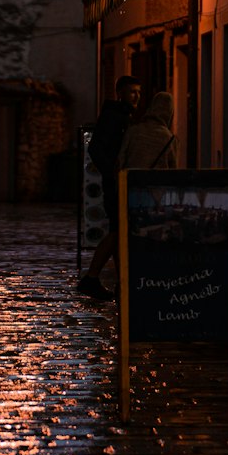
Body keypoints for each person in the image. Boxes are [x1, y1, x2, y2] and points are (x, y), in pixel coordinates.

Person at [77, 75, 142, 301]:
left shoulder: (124, 116)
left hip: (117, 180)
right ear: (120, 93)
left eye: (139, 92)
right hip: (114, 183)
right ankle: (91, 277)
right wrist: (111, 172)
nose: (137, 96)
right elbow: (95, 148)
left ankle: (119, 282)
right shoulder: (113, 117)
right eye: (132, 91)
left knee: (118, 231)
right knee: (117, 232)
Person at [118, 91, 179, 173]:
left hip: (132, 182)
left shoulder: (133, 131)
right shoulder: (170, 139)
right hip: (156, 184)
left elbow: (120, 161)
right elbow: (173, 171)